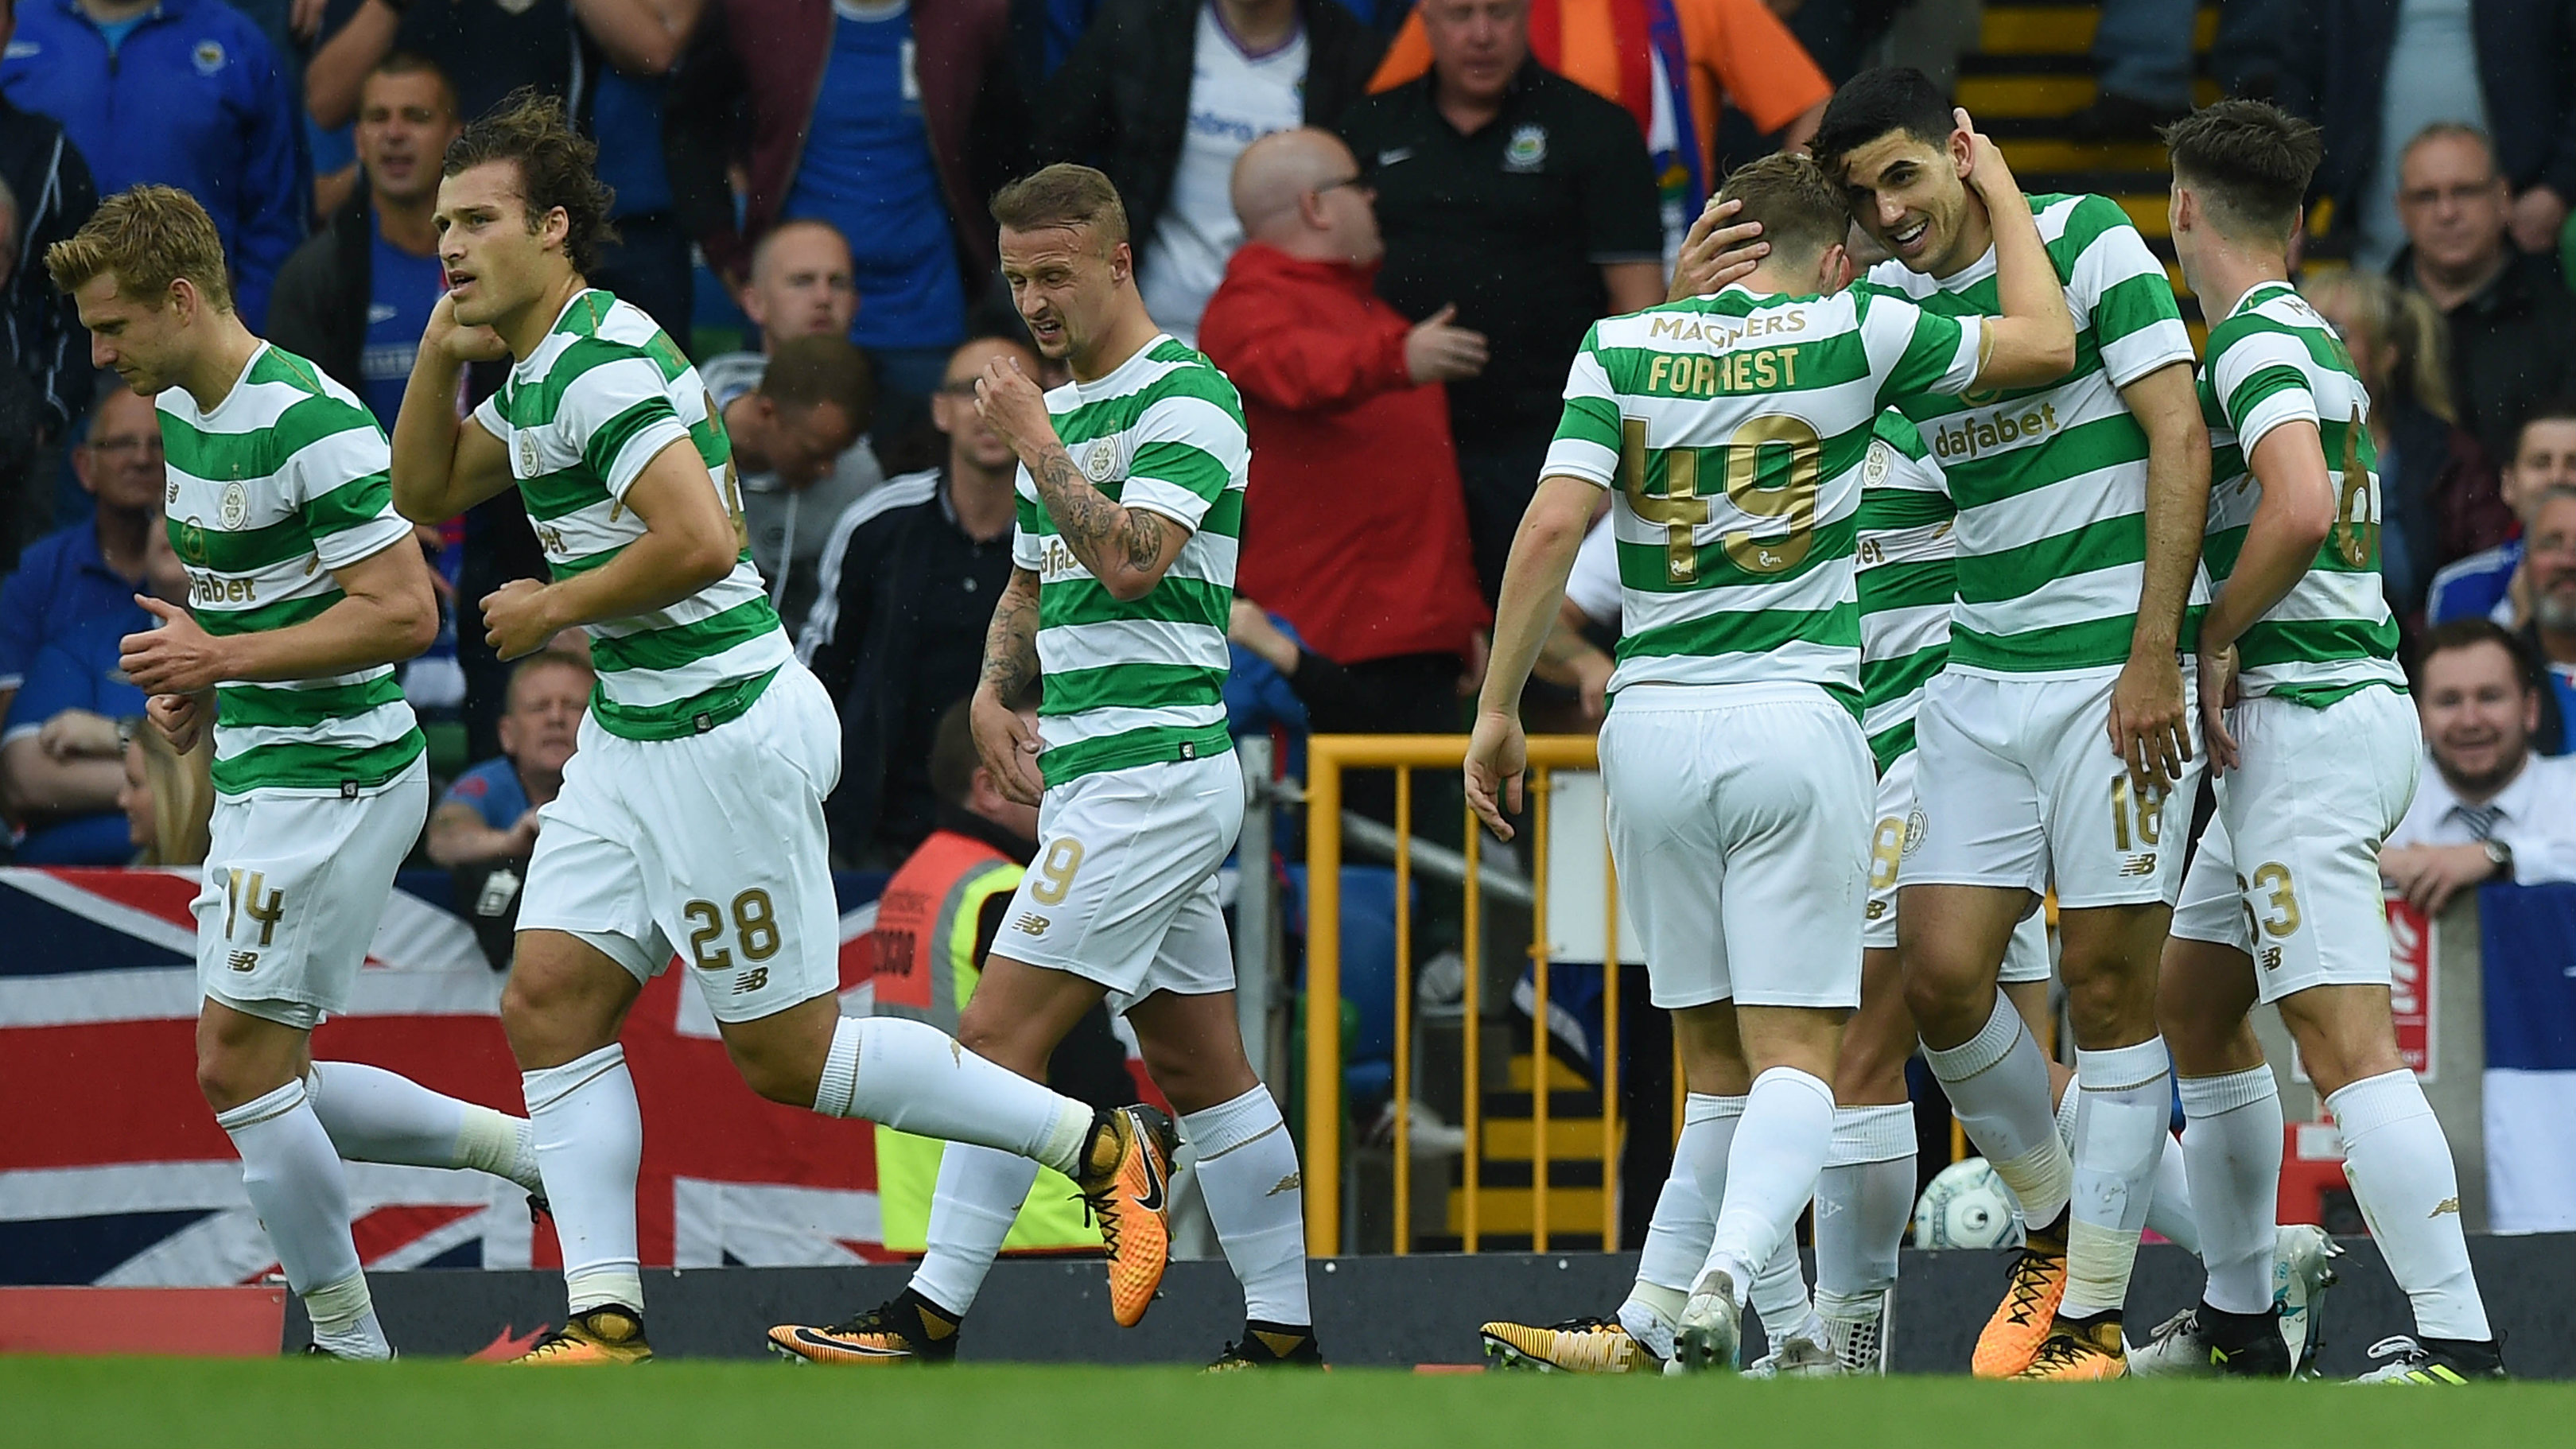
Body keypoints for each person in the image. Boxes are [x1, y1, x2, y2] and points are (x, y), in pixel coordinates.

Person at [387, 99, 1171, 1365]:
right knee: (547, 1000)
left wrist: (556, 604)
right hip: (635, 736)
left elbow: (699, 539)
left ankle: (1092, 1139)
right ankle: (604, 1313)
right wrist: (437, 348)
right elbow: (419, 489)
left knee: (788, 1058)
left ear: (550, 228)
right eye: (440, 228)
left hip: (723, 731)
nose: (453, 244)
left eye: (476, 221)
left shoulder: (602, 360)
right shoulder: (536, 367)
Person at [1463, 128, 2076, 1373]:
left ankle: (1691, 1324)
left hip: (1648, 727)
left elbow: (1546, 531)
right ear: (1832, 251)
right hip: (1794, 716)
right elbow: (2043, 342)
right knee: (1802, 1054)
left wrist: (1496, 706)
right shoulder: (1854, 331)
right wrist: (1995, 186)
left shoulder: (1617, 344)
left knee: (1709, 1066)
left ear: (1717, 237)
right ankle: (1729, 1286)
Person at [770, 164, 1318, 1369]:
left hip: (1154, 770)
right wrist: (987, 688)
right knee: (1202, 1067)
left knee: (992, 1039)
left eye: (1055, 274)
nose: (1035, 301)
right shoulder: (1055, 406)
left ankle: (929, 1315)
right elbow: (1031, 580)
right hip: (1094, 767)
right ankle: (1283, 1336)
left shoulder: (1188, 396)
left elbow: (1128, 560)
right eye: (1017, 278)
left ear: (1120, 261)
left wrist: (1030, 433)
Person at [49, 184, 547, 1361]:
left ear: (181, 298)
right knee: (270, 1074)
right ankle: (531, 1156)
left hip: (342, 774)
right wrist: (206, 680)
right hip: (270, 770)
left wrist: (222, 655)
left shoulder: (307, 416)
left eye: (113, 325)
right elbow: (268, 603)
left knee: (236, 1065)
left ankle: (346, 1342)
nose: (102, 351)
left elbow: (403, 614)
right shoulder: (181, 409)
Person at [1776, 67, 2209, 1381]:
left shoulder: (2079, 239)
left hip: (2104, 677)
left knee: (2103, 995)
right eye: (1861, 193)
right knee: (1940, 967)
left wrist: (2154, 656)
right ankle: (2051, 1229)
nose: (1888, 208)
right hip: (1978, 676)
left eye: (1903, 172)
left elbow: (2177, 437)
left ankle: (2085, 1313)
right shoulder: (1892, 309)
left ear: (1960, 152)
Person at [2133, 99, 2504, 1387]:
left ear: (2181, 210)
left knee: (2343, 1046)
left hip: (2297, 721)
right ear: (2290, 223)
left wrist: (2209, 632)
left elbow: (2291, 504)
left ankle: (2456, 1340)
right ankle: (2239, 1316)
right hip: (2337, 704)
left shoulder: (2242, 342)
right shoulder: (2316, 339)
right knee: (2189, 999)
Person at [1338, 0, 1665, 604]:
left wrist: (1617, 457)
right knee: (1415, 654)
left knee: (1546, 652)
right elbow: (1326, 290)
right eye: (1460, 15)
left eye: (1501, 13)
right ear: (1424, 21)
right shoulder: (1369, 128)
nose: (1481, 35)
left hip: (1551, 435)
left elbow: (1640, 311)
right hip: (1405, 439)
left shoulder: (1596, 128)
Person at [1196, 129, 1486, 745]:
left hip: (1410, 647)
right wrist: (1396, 359)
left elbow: (1425, 496)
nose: (1374, 198)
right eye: (1359, 185)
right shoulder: (1246, 308)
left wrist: (1460, 622)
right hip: (1320, 651)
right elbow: (1301, 371)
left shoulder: (1378, 322)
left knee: (1410, 842)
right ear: (1316, 205)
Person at [839, 700, 1140, 1292]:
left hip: (932, 1214)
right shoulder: (1012, 893)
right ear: (989, 788)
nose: (1069, 780)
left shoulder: (920, 879)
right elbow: (1086, 1069)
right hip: (1045, 1216)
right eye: (1048, 760)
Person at [705, 0, 1032, 453]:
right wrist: (726, 252)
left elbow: (1009, 141)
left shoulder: (970, 15)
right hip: (799, 312)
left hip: (924, 311)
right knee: (781, 472)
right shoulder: (763, 13)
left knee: (921, 485)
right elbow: (691, 123)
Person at [1363, 0, 1830, 263]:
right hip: (1512, 274)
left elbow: (1813, 107)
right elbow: (1386, 117)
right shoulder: (1487, 9)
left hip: (1660, 266)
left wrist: (1781, 229)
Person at [1040, 0, 1389, 348]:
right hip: (1143, 326)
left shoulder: (1353, 54)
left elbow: (1368, 209)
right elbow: (1049, 168)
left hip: (1278, 342)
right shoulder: (1140, 29)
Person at [799, 335, 1028, 866]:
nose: (988, 407)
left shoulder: (1069, 539)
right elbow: (817, 675)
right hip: (876, 836)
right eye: (971, 391)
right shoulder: (877, 524)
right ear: (939, 410)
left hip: (1023, 838)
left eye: (1011, 389)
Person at [3, 0, 302, 331]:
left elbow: (275, 218)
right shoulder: (16, 25)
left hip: (185, 330)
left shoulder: (238, 43)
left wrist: (249, 328)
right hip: (35, 335)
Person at [0, 383, 169, 862]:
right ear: (83, 467)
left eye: (159, 445)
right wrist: (177, 781)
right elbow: (20, 772)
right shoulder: (37, 578)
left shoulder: (224, 597)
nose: (142, 459)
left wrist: (112, 737)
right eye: (122, 444)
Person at [2278, 0, 2576, 269]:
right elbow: (2300, 74)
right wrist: (2289, 201)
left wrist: (2559, 185)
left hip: (2520, 229)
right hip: (2371, 235)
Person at [2298, 270, 2512, 626]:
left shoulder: (2451, 458)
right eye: (2302, 332)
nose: (2312, 347)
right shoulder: (2266, 444)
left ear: (2386, 355)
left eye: (2337, 333)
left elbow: (2483, 582)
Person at [268, 53, 466, 431]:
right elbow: (295, 427)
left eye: (416, 117)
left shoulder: (498, 266)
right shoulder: (314, 277)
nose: (394, 133)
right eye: (378, 118)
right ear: (358, 140)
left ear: (455, 137)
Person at [2384, 126, 2576, 464]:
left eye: (2465, 191)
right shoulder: (2373, 323)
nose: (2447, 213)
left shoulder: (2562, 322)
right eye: (2426, 196)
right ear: (2401, 210)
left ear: (2503, 197)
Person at [0, 0, 100, 565]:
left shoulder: (52, 155)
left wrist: (46, 418)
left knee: (15, 618)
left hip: (16, 451)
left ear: (11, 28)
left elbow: (81, 310)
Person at [2382, 619, 2576, 903]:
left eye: (2489, 697)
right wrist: (2371, 861)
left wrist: (2498, 856)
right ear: (2419, 717)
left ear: (2530, 710)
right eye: (2449, 701)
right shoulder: (2382, 795)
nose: (2470, 721)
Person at [426, 650, 593, 968]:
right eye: (538, 707)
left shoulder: (624, 783)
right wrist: (511, 842)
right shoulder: (489, 782)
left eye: (573, 706)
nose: (556, 718)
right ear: (507, 734)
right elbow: (444, 838)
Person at [723, 334, 883, 635]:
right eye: (814, 453)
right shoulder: (677, 431)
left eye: (837, 453)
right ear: (767, 413)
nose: (827, 470)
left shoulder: (859, 477)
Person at [2427, 410, 2576, 625]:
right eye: (2540, 463)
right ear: (2509, 484)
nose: (2557, 478)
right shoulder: (2458, 590)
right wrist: (2515, 620)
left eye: (2574, 463)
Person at [695, 219, 864, 407]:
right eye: (802, 281)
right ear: (755, 302)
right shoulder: (714, 391)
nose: (824, 298)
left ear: (855, 303)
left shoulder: (886, 399)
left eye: (838, 283)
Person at [119, 711, 214, 866]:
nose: (122, 800)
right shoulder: (139, 867)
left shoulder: (228, 883)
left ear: (177, 791)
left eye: (135, 784)